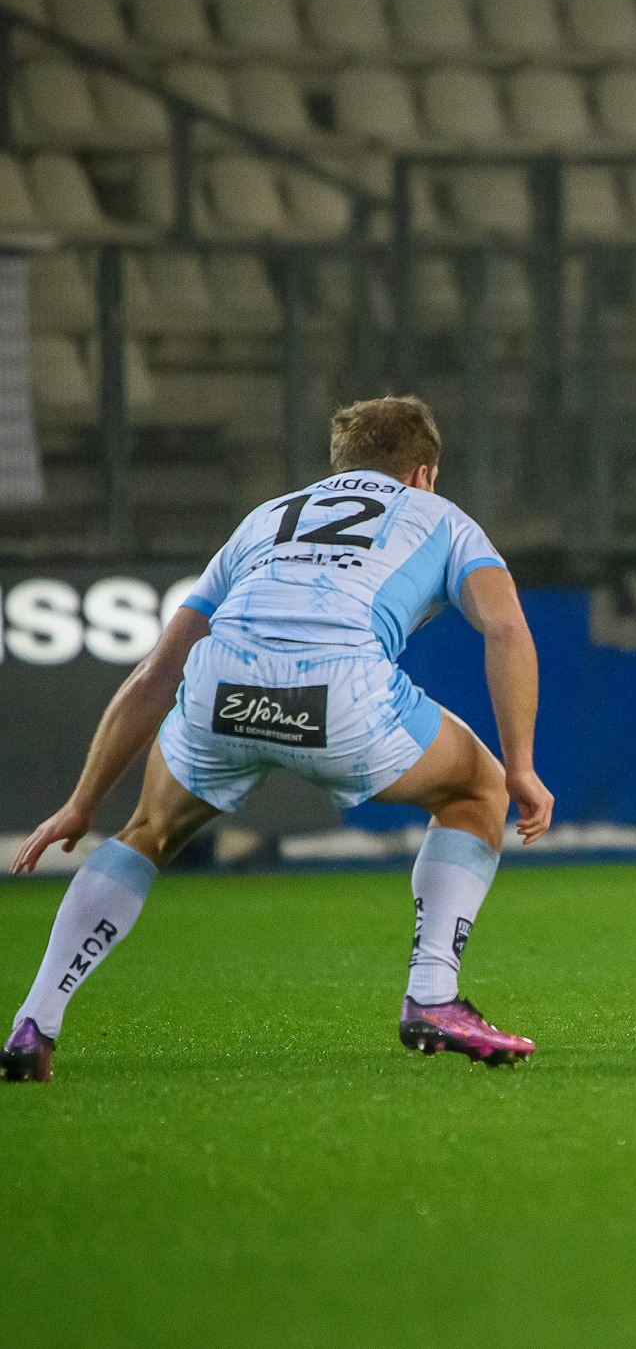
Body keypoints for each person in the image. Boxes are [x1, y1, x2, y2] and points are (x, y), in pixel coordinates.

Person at [3, 397, 554, 1084]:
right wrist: (524, 766)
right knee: (480, 786)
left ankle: (34, 1021)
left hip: (220, 692)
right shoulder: (443, 518)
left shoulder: (266, 518)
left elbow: (157, 672)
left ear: (340, 466)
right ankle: (433, 996)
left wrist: (82, 803)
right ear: (423, 474)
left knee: (146, 831)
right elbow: (505, 629)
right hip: (338, 697)